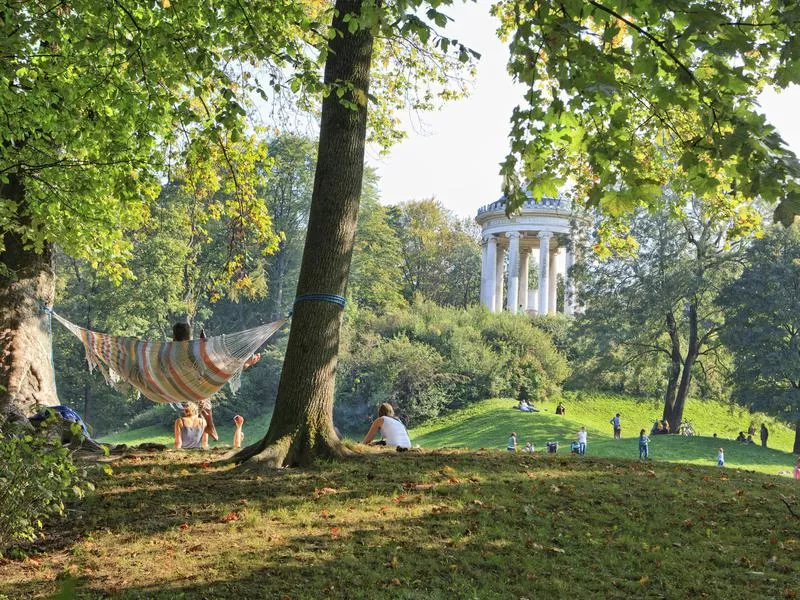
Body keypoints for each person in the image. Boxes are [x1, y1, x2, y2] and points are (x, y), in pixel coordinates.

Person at [171, 322, 261, 444]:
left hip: (183, 385)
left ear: (174, 336)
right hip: (192, 383)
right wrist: (203, 342)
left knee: (200, 402)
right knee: (204, 395)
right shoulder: (188, 348)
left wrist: (203, 342)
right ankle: (210, 428)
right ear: (188, 336)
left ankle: (207, 433)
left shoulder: (172, 349)